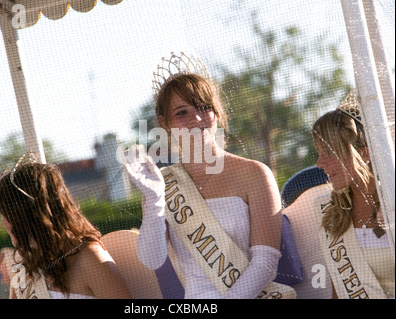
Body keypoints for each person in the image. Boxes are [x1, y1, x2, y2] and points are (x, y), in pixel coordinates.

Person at [124, 52, 294, 299]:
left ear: (216, 113)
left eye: (204, 108)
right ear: (165, 122)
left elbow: (266, 264)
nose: (196, 118)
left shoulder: (255, 174)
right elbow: (153, 260)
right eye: (182, 112)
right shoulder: (161, 185)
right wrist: (154, 201)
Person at [0, 151, 131, 299]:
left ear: (28, 215)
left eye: (6, 214)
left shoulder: (88, 258)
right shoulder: (23, 267)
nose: (3, 223)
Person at [309, 90, 394, 299]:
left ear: (364, 153)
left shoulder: (392, 202)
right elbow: (340, 290)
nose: (319, 163)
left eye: (329, 153)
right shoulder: (329, 212)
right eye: (319, 153)